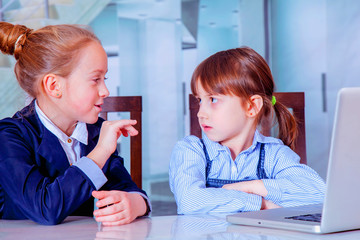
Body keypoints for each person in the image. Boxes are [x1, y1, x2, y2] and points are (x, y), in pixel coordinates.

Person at [0, 22, 150, 225]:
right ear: (54, 86)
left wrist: (137, 202)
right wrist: (101, 152)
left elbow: (126, 187)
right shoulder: (10, 136)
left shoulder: (96, 132)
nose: (105, 90)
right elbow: (45, 209)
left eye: (104, 78)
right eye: (95, 79)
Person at [169, 47, 326, 214]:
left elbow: (319, 194)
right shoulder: (191, 150)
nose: (201, 113)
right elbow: (189, 201)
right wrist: (261, 203)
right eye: (200, 100)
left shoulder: (273, 153)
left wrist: (251, 187)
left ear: (251, 106)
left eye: (213, 99)